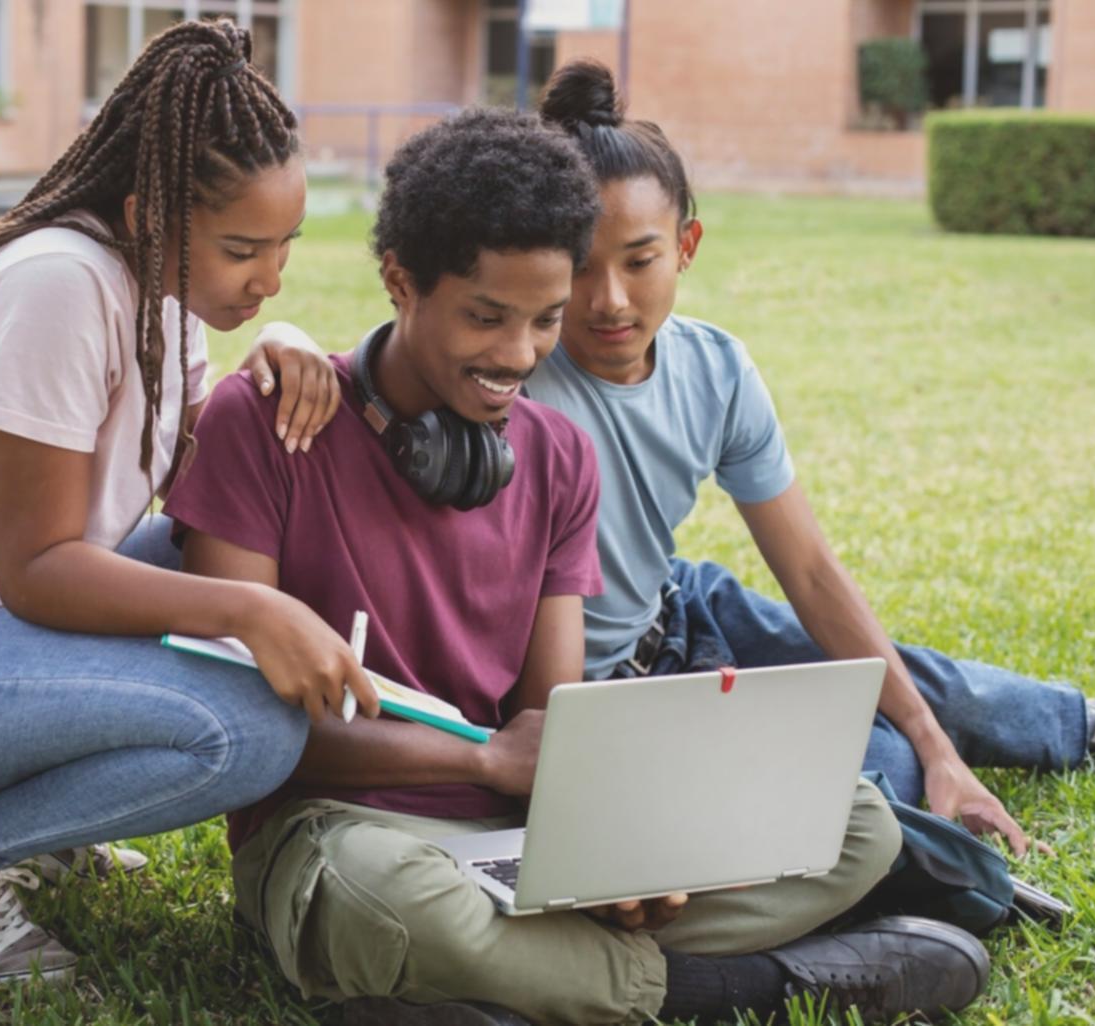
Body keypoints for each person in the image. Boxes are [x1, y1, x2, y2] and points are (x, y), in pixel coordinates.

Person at [164, 107, 989, 1026]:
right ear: (399, 281)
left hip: (517, 837)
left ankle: (503, 993)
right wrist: (484, 767)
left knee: (853, 825)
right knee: (385, 902)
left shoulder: (558, 455)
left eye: (543, 320)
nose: (517, 356)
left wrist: (619, 859)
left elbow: (551, 721)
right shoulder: (264, 424)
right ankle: (740, 992)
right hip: (348, 830)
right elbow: (244, 730)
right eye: (485, 317)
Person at [0, 20, 379, 984]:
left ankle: (53, 811)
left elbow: (183, 489)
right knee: (246, 729)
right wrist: (250, 609)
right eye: (241, 249)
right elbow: (41, 573)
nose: (268, 278)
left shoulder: (161, 287)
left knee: (245, 546)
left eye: (285, 248)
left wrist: (262, 366)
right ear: (146, 216)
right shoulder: (57, 282)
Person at [517, 59, 1095, 858]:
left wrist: (942, 749)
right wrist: (287, 343)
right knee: (883, 774)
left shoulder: (717, 370)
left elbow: (807, 573)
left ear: (686, 247)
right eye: (581, 266)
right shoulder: (509, 374)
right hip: (602, 694)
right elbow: (386, 368)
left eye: (638, 260)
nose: (610, 301)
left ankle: (1089, 725)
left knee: (901, 686)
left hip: (679, 611)